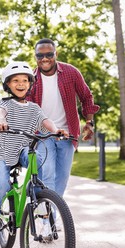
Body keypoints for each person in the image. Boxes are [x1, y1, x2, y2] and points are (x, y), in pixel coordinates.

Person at [0, 61, 68, 241]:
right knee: (1, 184)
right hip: (4, 153)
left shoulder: (34, 108)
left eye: (25, 80)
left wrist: (55, 129)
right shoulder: (5, 104)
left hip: (23, 150)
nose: (21, 84)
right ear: (8, 85)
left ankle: (38, 197)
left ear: (30, 84)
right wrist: (1, 121)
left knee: (39, 158)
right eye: (15, 81)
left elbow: (45, 121)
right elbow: (1, 113)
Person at [27, 38, 100, 197]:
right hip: (43, 135)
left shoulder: (71, 73)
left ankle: (50, 209)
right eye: (40, 55)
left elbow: (86, 97)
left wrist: (89, 122)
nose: (44, 59)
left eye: (49, 54)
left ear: (56, 54)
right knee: (47, 175)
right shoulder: (31, 79)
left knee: (62, 178)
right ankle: (47, 218)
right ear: (35, 57)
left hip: (68, 134)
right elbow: (29, 109)